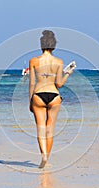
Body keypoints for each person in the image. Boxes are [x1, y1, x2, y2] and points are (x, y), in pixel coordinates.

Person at [29, 30, 74, 168]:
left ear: (41, 44)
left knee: (41, 129)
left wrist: (30, 101)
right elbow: (59, 84)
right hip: (54, 95)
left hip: (39, 94)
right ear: (54, 44)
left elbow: (31, 83)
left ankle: (43, 156)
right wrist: (68, 73)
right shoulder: (59, 62)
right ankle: (47, 157)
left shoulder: (34, 61)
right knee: (50, 129)